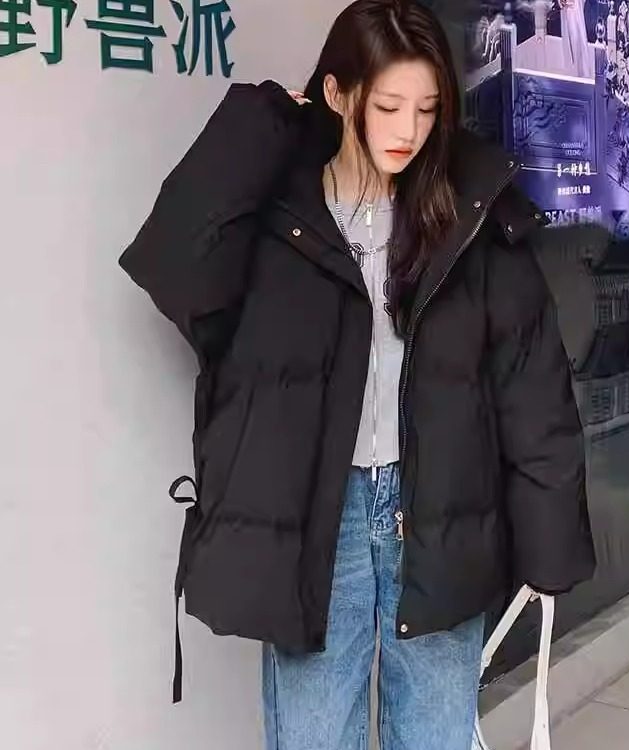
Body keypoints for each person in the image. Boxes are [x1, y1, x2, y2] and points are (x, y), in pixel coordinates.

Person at [119, 1, 595, 748]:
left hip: (440, 511)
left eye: (428, 109)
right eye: (388, 106)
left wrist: (549, 541)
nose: (409, 130)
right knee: (312, 737)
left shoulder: (467, 217)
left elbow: (533, 387)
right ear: (338, 95)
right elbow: (173, 269)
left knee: (436, 736)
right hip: (317, 516)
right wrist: (260, 123)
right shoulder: (277, 220)